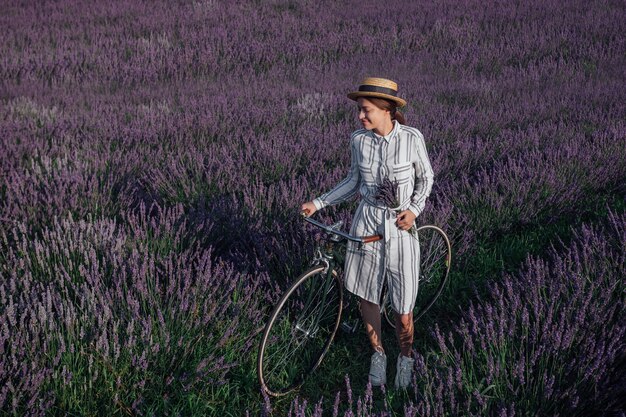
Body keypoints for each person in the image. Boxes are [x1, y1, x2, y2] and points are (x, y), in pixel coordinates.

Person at [300, 77, 434, 389]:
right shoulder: (359, 141)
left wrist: (414, 210)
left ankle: (406, 355)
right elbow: (353, 182)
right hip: (367, 224)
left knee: (403, 310)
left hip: (400, 227)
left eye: (366, 110)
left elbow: (425, 178)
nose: (360, 116)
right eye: (360, 110)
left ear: (387, 110)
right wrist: (317, 203)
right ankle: (378, 353)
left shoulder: (412, 138)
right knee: (367, 295)